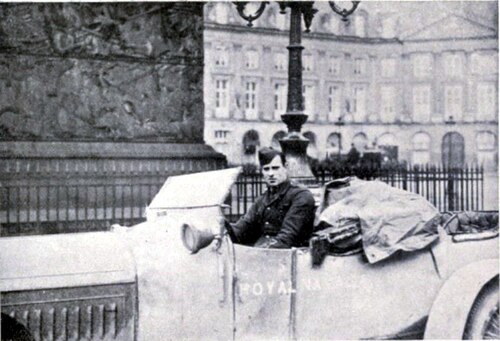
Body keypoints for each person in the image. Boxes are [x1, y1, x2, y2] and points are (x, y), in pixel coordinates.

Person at [226, 147, 316, 249]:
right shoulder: (263, 198)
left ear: (286, 167)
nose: (271, 174)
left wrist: (260, 252)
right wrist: (223, 226)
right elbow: (241, 228)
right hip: (264, 252)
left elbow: (287, 238)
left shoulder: (301, 196)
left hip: (289, 255)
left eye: (275, 168)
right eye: (266, 169)